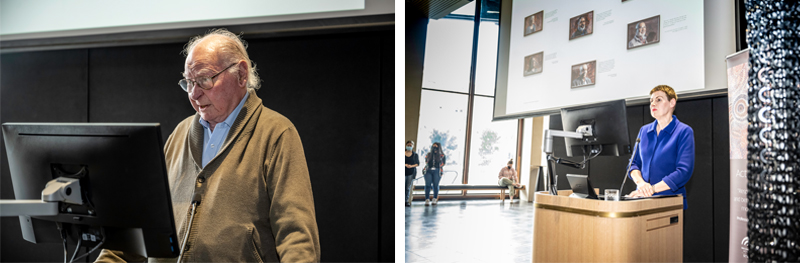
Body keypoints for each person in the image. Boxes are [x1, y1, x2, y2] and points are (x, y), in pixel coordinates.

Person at [96, 29, 320, 262]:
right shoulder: (179, 134)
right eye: (189, 82)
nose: (194, 94)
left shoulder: (276, 134)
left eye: (204, 80)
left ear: (241, 74)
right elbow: (140, 224)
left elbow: (297, 238)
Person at [626, 85, 695, 209]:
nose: (653, 104)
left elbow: (683, 172)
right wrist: (641, 184)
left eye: (658, 100)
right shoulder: (644, 131)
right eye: (651, 101)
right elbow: (633, 164)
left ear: (672, 103)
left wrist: (652, 189)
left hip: (669, 202)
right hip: (641, 200)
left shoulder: (684, 131)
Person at [405, 140, 420, 207]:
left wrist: (411, 166)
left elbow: (417, 163)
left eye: (410, 145)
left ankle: (406, 201)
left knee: (407, 188)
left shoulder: (415, 155)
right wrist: (405, 165)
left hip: (410, 173)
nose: (409, 146)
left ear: (413, 146)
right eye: (408, 145)